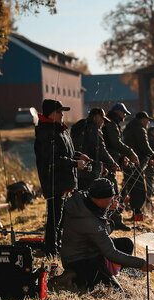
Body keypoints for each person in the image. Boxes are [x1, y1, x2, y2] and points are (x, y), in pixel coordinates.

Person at [59, 178, 154, 291]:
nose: (113, 200)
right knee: (115, 290)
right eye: (111, 198)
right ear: (101, 198)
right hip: (79, 259)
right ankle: (73, 277)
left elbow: (104, 230)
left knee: (126, 244)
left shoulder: (87, 200)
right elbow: (111, 253)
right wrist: (142, 264)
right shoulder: (89, 221)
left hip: (92, 249)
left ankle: (103, 272)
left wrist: (108, 210)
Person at [34, 99, 89, 257]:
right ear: (51, 114)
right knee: (54, 221)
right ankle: (51, 252)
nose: (62, 114)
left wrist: (79, 156)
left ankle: (58, 249)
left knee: (63, 219)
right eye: (59, 112)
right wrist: (74, 163)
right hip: (54, 183)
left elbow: (66, 153)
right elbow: (53, 160)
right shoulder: (46, 133)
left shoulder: (60, 130)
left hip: (64, 183)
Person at [103, 102, 139, 231]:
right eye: (124, 113)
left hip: (110, 162)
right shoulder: (112, 125)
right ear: (118, 112)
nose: (125, 115)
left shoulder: (113, 124)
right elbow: (115, 143)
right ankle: (116, 221)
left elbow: (112, 146)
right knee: (114, 193)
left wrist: (121, 158)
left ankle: (113, 220)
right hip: (107, 165)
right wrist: (130, 153)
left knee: (112, 192)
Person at [123, 111, 154, 221]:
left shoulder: (128, 128)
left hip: (129, 163)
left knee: (132, 188)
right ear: (142, 119)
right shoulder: (140, 130)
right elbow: (145, 146)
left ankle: (135, 213)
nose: (148, 122)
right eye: (147, 120)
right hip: (136, 164)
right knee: (140, 190)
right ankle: (137, 214)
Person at [71, 108, 120, 191]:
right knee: (90, 198)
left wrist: (101, 166)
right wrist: (112, 164)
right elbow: (101, 150)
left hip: (77, 169)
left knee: (80, 196)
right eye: (103, 120)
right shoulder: (94, 129)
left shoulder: (78, 126)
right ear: (96, 117)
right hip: (89, 172)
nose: (103, 124)